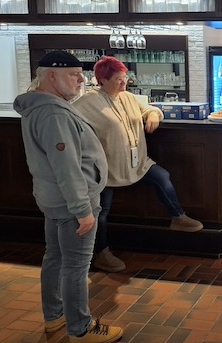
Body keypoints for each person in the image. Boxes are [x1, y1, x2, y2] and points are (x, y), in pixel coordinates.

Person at [13, 50, 123, 343]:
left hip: (54, 198)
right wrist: (82, 209)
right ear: (52, 75)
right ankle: (81, 330)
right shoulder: (54, 113)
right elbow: (67, 166)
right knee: (76, 265)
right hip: (72, 203)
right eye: (74, 74)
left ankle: (55, 315)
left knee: (55, 257)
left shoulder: (41, 105)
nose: (81, 80)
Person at [73, 56, 203, 273]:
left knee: (162, 177)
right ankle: (101, 253)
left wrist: (153, 114)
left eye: (125, 78)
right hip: (106, 168)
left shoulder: (128, 97)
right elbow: (69, 123)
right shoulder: (87, 103)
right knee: (100, 212)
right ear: (102, 80)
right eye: (118, 79)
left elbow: (150, 109)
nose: (124, 82)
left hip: (137, 162)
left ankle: (178, 217)